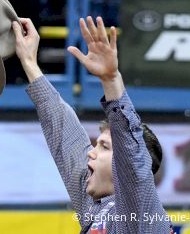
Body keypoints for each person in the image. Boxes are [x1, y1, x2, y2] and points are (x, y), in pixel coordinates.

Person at [12, 15, 172, 233]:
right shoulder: (96, 208)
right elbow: (63, 131)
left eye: (104, 146)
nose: (90, 153)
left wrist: (111, 79)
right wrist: (30, 63)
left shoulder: (140, 214)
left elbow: (132, 157)